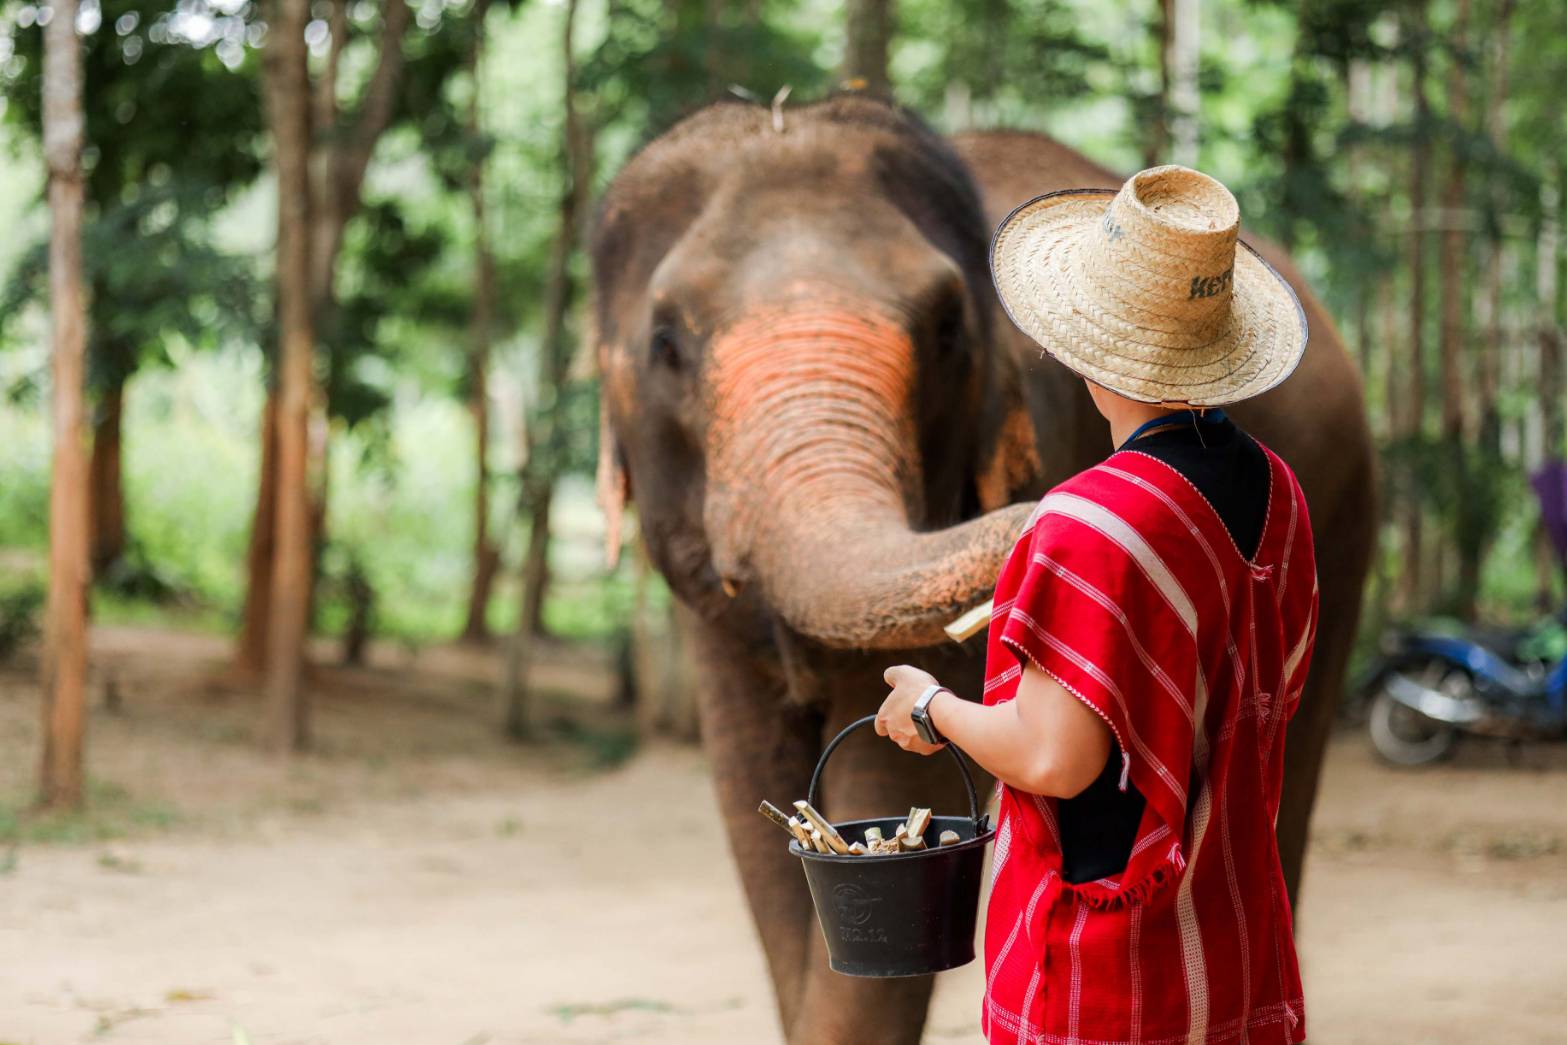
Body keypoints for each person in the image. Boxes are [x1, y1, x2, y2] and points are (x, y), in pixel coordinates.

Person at [878, 165, 1318, 1045]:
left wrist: (931, 705)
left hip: (1108, 973)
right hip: (1235, 940)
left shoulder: (1090, 522)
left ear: (1080, 344)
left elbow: (1052, 758)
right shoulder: (1279, 492)